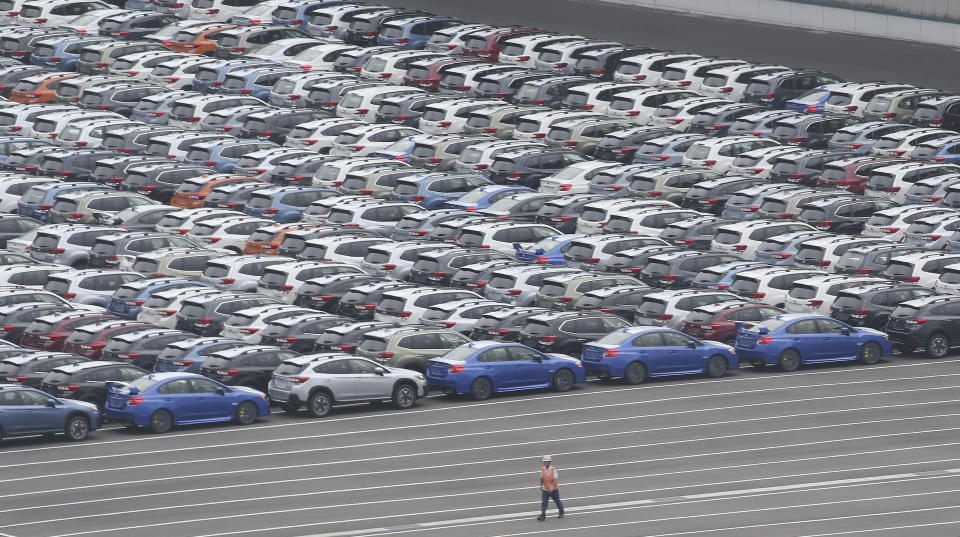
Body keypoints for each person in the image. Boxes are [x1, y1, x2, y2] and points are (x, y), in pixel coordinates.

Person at [538, 455, 564, 521]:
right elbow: (542, 478)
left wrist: (552, 487)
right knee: (544, 502)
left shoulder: (553, 469)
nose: (544, 463)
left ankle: (561, 512)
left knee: (557, 501)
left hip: (553, 490)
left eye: (546, 461)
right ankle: (543, 515)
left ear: (549, 462)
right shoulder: (543, 469)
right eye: (544, 462)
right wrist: (541, 485)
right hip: (545, 489)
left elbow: (555, 479)